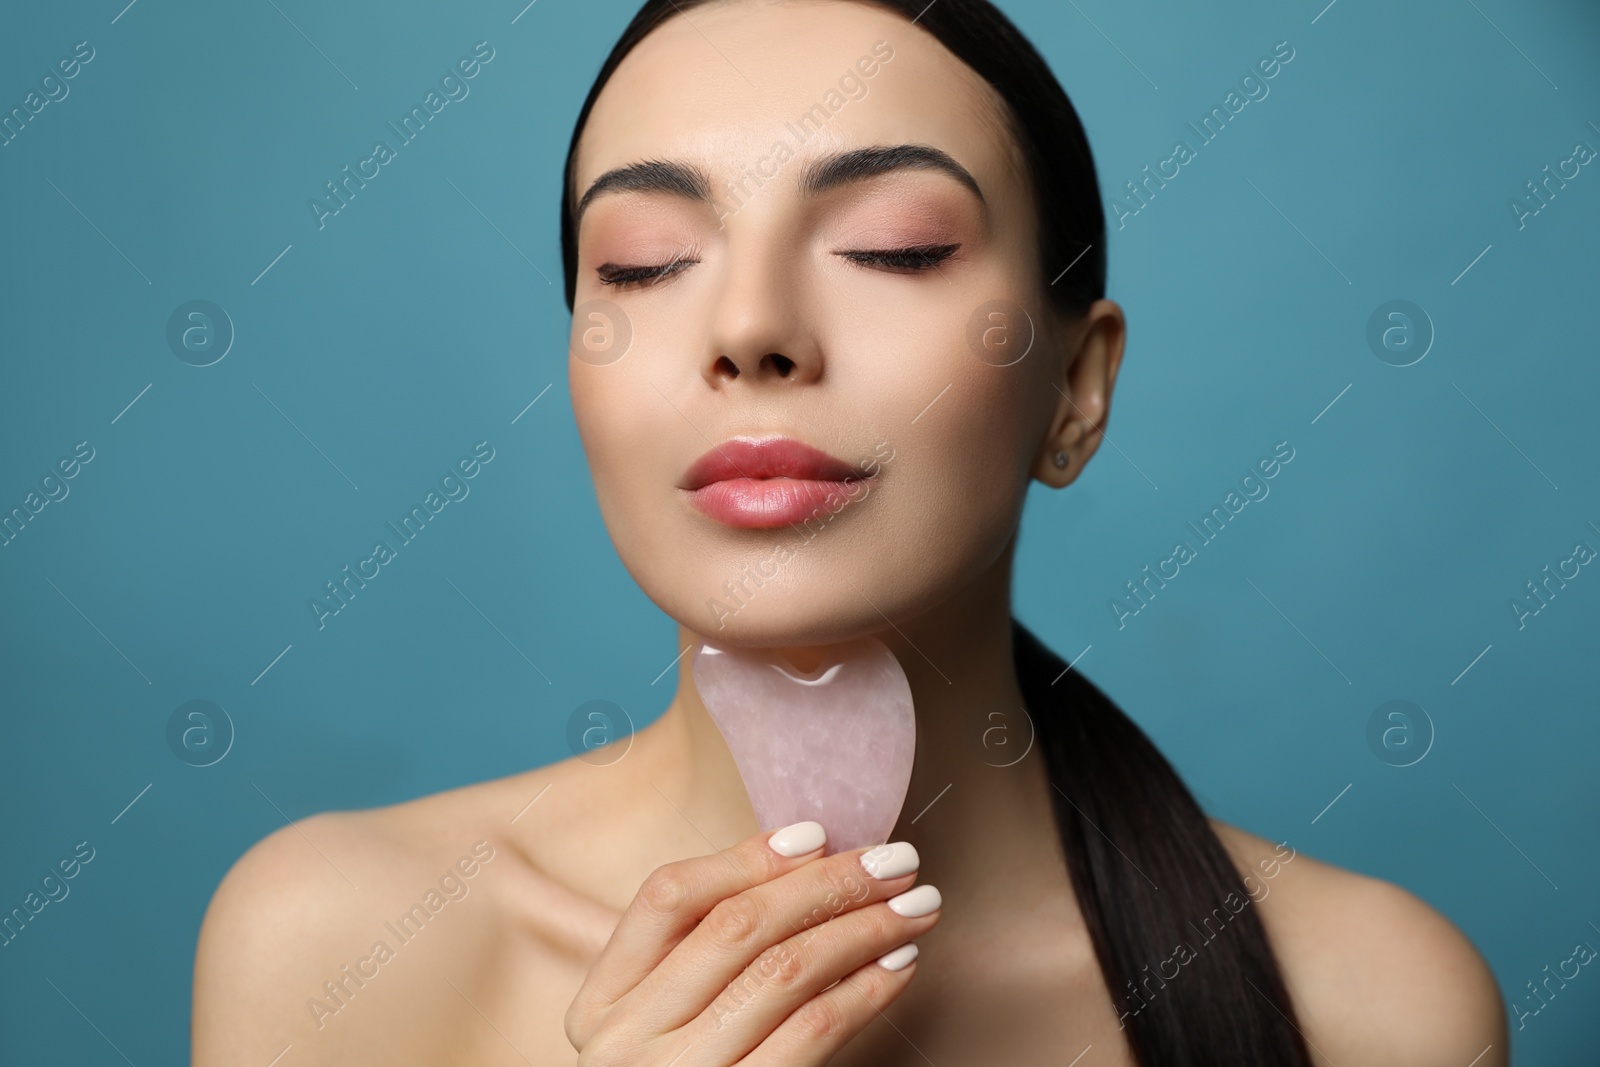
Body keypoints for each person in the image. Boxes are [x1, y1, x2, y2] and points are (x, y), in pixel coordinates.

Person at [192, 1, 1509, 1063]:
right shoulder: (334, 952)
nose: (751, 327)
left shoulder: (1374, 1009)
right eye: (647, 262)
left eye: (895, 246)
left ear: (1075, 388)